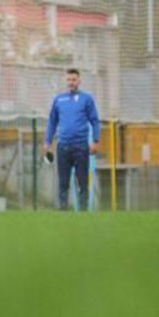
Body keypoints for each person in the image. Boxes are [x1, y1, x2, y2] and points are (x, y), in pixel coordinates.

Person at [45, 68, 100, 211]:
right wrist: (47, 142)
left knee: (82, 182)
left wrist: (95, 140)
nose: (71, 82)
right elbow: (52, 121)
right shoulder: (58, 99)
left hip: (81, 147)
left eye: (74, 79)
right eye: (69, 79)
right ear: (65, 80)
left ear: (79, 81)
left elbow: (95, 121)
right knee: (63, 183)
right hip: (63, 147)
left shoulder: (86, 99)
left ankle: (83, 211)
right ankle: (63, 211)